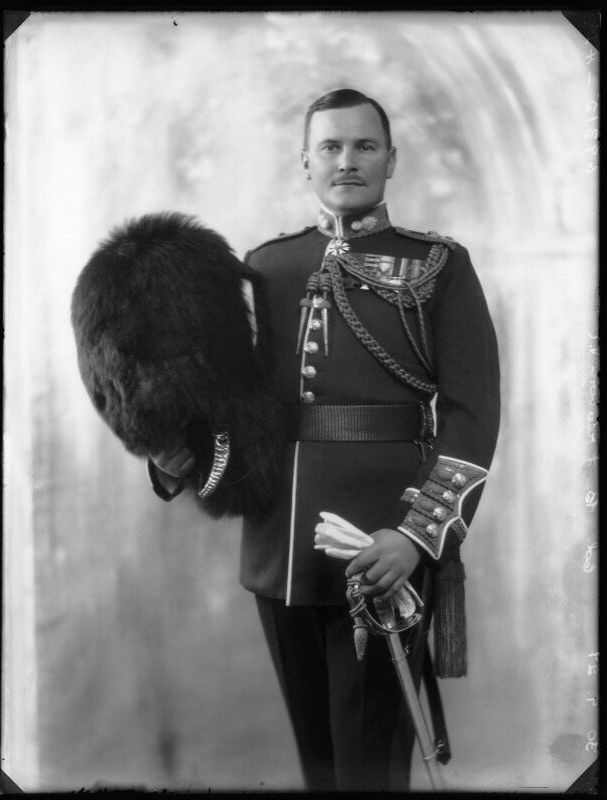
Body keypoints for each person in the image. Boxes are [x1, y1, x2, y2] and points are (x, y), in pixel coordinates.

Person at [149, 89, 500, 791]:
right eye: (331, 147)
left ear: (391, 159)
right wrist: (174, 457)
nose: (347, 160)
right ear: (305, 162)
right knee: (319, 768)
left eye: (364, 146)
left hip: (383, 544)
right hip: (278, 548)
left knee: (368, 771)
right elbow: (233, 407)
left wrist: (414, 536)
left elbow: (471, 414)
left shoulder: (437, 266)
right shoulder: (265, 266)